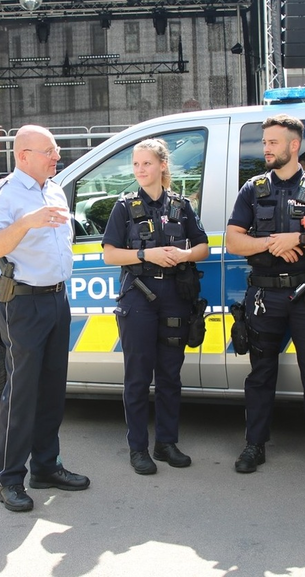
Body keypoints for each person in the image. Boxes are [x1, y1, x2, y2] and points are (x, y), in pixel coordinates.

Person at [226, 114, 305, 479]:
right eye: (265, 142)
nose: (266, 148)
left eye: (273, 142)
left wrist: (301, 238)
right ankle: (254, 445)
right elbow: (234, 241)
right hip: (265, 296)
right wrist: (272, 243)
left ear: (294, 145)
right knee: (260, 376)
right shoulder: (253, 188)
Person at [0, 124, 90, 512]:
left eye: (56, 150)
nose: (56, 157)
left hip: (56, 298)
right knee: (22, 393)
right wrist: (26, 222)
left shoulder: (53, 189)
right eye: (49, 151)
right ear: (23, 155)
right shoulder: (4, 195)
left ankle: (46, 466)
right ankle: (8, 478)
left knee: (52, 390)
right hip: (23, 304)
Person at [102, 139, 209, 475]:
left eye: (146, 163)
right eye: (136, 164)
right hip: (138, 295)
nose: (140, 170)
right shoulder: (124, 207)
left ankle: (166, 443)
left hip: (175, 295)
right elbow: (109, 254)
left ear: (162, 165)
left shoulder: (182, 205)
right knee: (137, 377)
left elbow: (203, 247)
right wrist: (145, 254)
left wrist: (185, 254)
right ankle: (138, 449)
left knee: (169, 376)